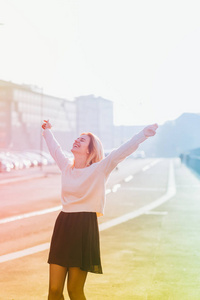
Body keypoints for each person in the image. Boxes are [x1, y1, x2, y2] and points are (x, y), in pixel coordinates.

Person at [42, 119, 158, 300]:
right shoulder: (66, 167)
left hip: (84, 227)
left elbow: (122, 151)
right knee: (54, 290)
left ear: (90, 150)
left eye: (82, 140)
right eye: (77, 138)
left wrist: (143, 134)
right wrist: (47, 130)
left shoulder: (100, 168)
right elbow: (54, 148)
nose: (77, 141)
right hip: (63, 225)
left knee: (74, 290)